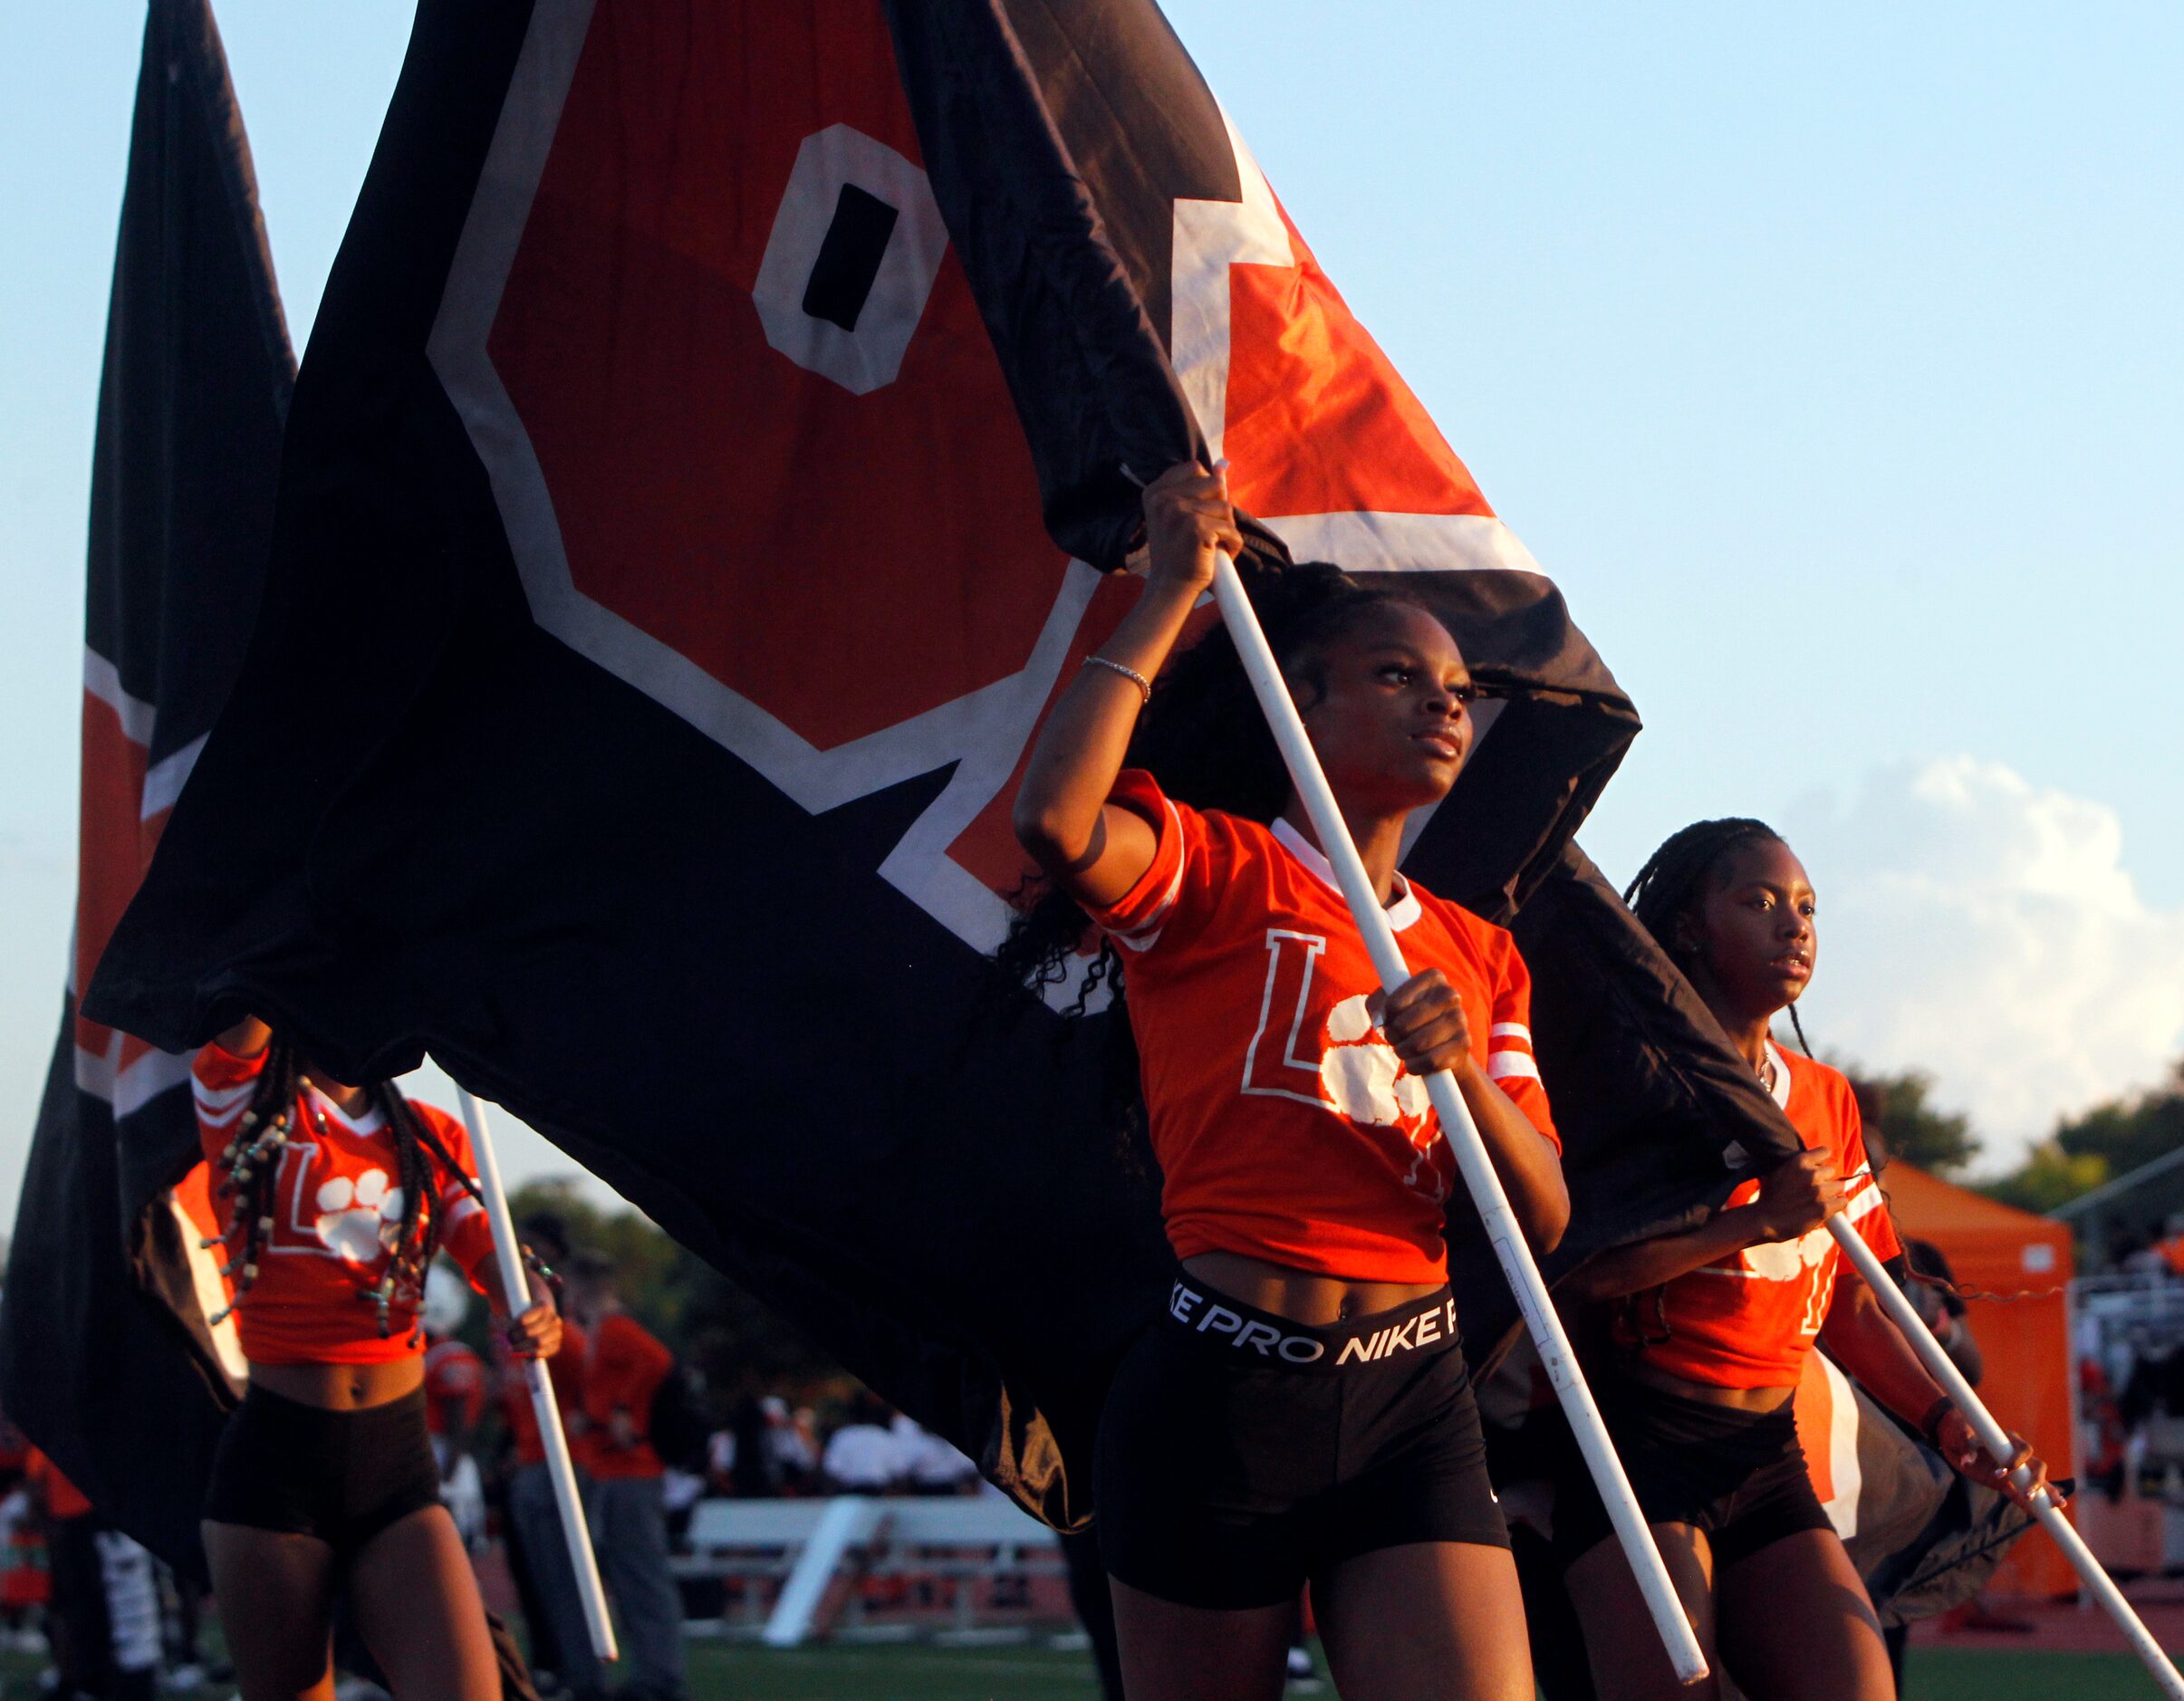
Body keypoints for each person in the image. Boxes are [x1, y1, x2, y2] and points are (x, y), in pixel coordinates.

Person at [1006, 462, 1567, 1701]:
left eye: (1459, 692)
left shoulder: (1479, 955)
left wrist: (1460, 1068)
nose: (1441, 707)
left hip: (1410, 1396)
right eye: (1396, 675)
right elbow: (1053, 821)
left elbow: (1540, 1216)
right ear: (1298, 703)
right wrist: (1165, 593)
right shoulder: (1213, 868)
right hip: (1218, 1395)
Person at [1554, 820, 2058, 1701]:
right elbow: (1580, 1277)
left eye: (1806, 909)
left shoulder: (1821, 1096)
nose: (1793, 927)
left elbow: (1851, 1304)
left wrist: (1947, 1422)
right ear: (1683, 929)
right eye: (1757, 902)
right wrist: (1751, 1224)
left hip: (1763, 1451)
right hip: (1636, 1445)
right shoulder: (1632, 1082)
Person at [192, 1018, 561, 1701]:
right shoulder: (244, 1101)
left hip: (395, 1468)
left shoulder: (431, 1135)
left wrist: (530, 1305)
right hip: (274, 1471)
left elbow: (497, 1256)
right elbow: (242, 1006)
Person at [563, 1252, 685, 1701]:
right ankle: (651, 1675)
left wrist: (622, 1410)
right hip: (614, 1468)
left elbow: (655, 1360)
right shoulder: (602, 1332)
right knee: (631, 1575)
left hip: (630, 1469)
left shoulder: (615, 1329)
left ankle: (661, 1677)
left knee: (642, 1576)